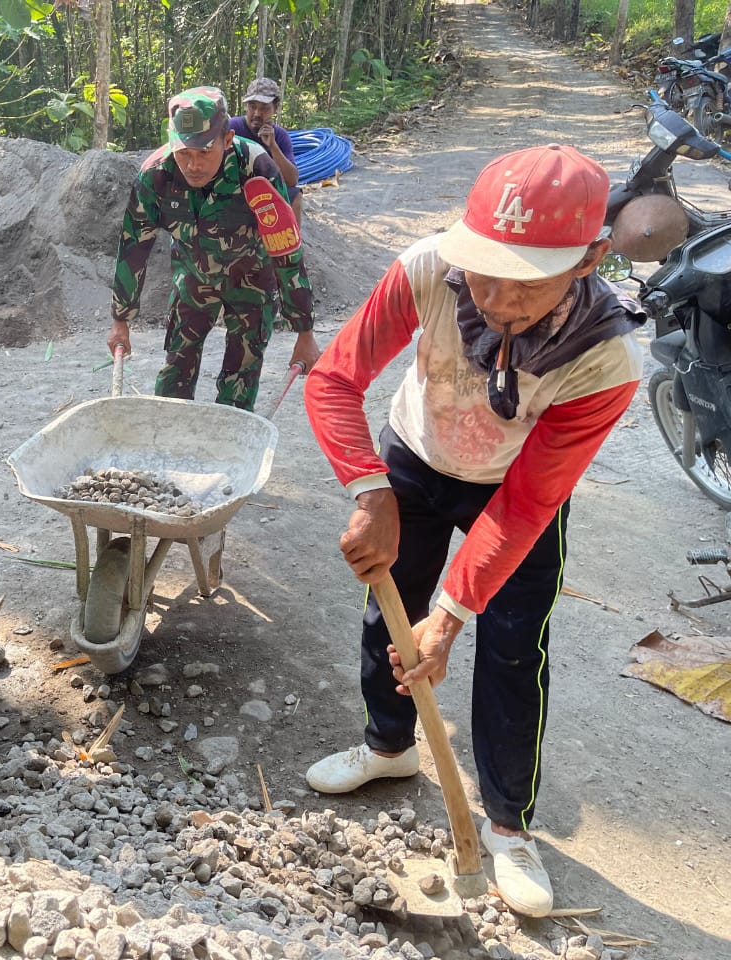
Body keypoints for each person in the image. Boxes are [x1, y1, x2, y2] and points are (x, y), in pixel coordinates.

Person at [302, 145, 644, 917]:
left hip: (515, 491)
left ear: (591, 257)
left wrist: (452, 616)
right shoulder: (427, 269)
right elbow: (334, 379)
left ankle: (507, 825)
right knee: (387, 612)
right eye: (483, 269)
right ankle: (389, 748)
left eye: (524, 282)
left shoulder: (605, 360)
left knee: (513, 651)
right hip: (415, 460)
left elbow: (526, 506)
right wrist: (369, 489)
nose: (494, 297)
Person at [106, 85, 321, 412]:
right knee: (175, 374)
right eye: (184, 153)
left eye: (204, 152)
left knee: (239, 382)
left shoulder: (256, 169)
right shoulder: (156, 176)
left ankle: (228, 453)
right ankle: (167, 448)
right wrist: (120, 319)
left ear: (227, 140)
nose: (193, 165)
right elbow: (133, 249)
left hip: (251, 281)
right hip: (193, 280)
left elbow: (286, 252)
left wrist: (304, 331)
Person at [229, 77, 304, 228]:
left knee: (295, 195)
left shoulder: (280, 136)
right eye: (252, 106)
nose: (257, 113)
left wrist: (273, 146)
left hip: (266, 195)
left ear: (275, 108)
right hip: (233, 191)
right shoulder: (232, 128)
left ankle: (292, 247)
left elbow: (291, 181)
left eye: (264, 108)